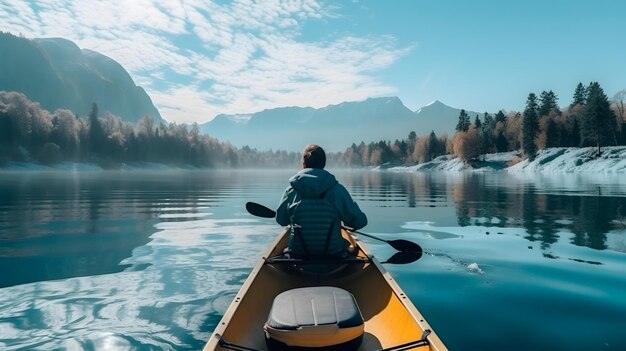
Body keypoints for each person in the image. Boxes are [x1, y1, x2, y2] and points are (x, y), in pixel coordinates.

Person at [276, 144, 367, 259]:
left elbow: (281, 220)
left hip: (298, 256)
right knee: (347, 245)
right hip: (333, 256)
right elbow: (360, 222)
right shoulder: (338, 190)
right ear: (323, 164)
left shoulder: (291, 190)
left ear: (303, 164)